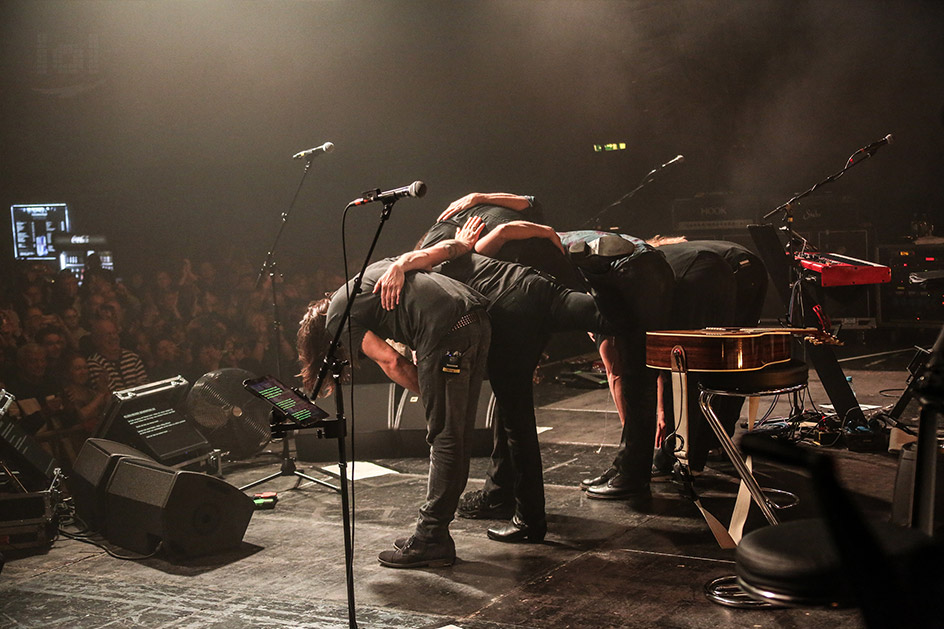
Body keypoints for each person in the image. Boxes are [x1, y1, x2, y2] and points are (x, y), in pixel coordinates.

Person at [379, 217, 617, 543]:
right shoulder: (464, 252)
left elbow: (433, 257)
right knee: (611, 317)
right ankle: (602, 274)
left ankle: (529, 520)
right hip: (536, 285)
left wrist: (402, 264)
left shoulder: (422, 267)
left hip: (510, 310)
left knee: (517, 423)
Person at [434, 194, 674, 507]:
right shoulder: (510, 242)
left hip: (617, 270)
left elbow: (515, 223)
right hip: (628, 264)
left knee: (629, 373)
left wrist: (544, 233)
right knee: (628, 366)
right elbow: (527, 203)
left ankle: (631, 477)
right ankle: (628, 467)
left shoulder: (484, 250)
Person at [297, 220, 490, 569]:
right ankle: (437, 534)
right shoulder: (366, 278)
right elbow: (424, 259)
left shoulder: (338, 317)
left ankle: (431, 537)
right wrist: (460, 246)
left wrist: (432, 395)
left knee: (445, 434)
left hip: (446, 333)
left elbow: (391, 362)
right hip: (475, 321)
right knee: (455, 433)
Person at [653, 240, 769, 475]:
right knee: (732, 359)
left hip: (721, 272)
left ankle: (681, 453)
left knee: (690, 361)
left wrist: (661, 410)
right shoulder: (682, 250)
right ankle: (718, 441)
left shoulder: (654, 261)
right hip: (753, 268)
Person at [86, 318, 149, 392]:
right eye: (108, 334)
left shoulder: (133, 358)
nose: (113, 337)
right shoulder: (94, 363)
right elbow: (110, 394)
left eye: (115, 333)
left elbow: (144, 388)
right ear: (97, 339)